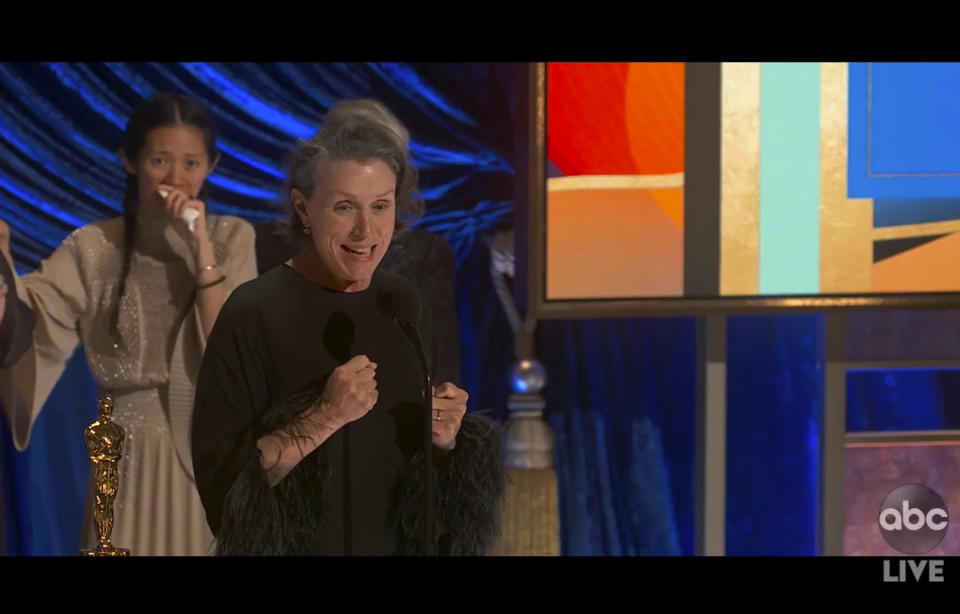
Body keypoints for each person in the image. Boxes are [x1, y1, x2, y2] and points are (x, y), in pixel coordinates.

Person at [192, 99, 505, 555]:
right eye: (344, 207)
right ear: (303, 208)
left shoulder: (403, 305)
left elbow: (424, 497)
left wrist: (443, 440)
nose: (366, 231)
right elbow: (225, 496)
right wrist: (325, 417)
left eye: (380, 206)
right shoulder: (254, 311)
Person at [0, 93, 257, 555]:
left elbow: (231, 347)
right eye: (160, 160)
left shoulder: (232, 237)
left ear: (211, 166)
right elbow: (32, 314)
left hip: (205, 450)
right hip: (124, 455)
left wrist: (200, 248)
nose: (175, 179)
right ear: (130, 160)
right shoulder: (94, 246)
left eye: (191, 163)